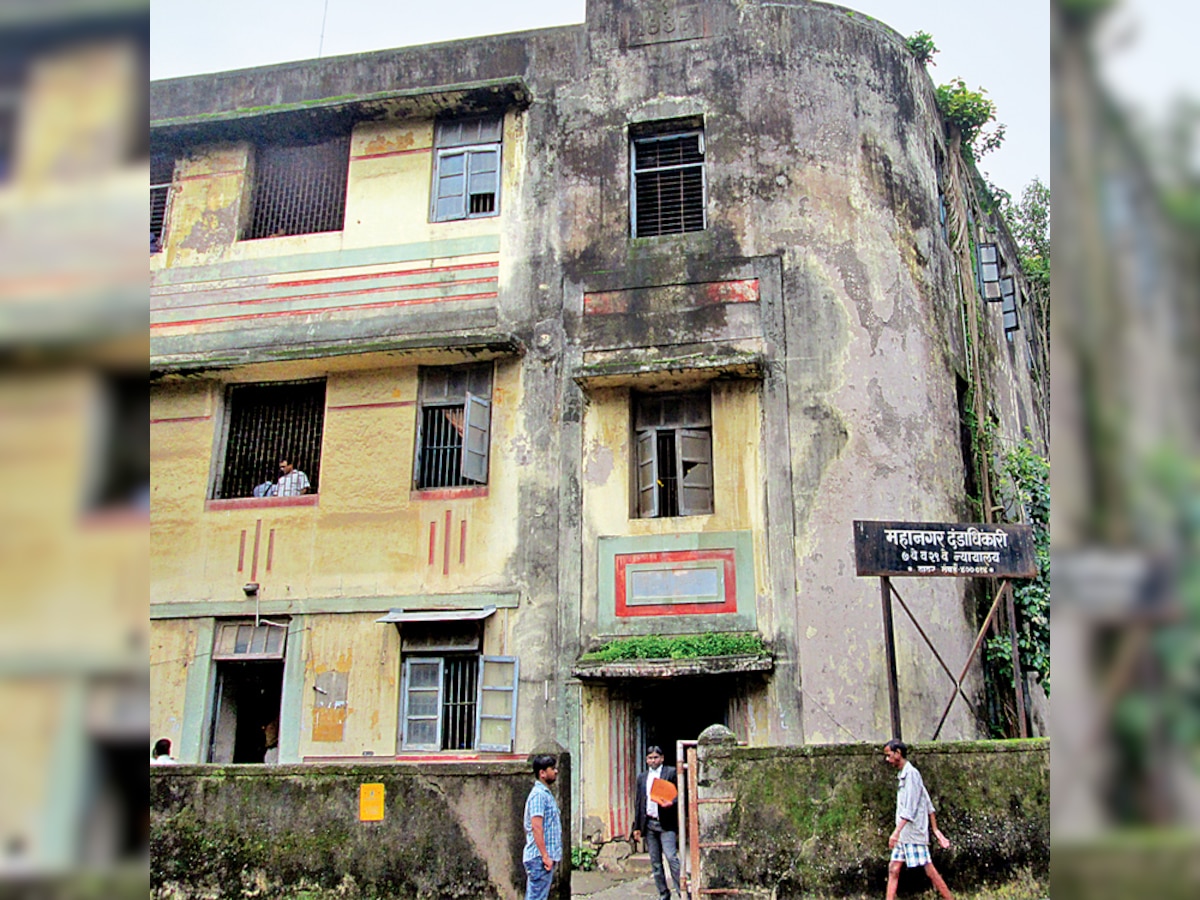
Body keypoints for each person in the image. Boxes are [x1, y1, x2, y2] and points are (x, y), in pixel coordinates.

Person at [883, 739, 953, 900]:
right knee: (893, 868)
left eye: (889, 755)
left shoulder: (912, 775)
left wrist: (895, 833)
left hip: (913, 834)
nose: (887, 759)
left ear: (898, 753)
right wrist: (935, 830)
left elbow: (910, 809)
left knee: (929, 870)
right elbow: (927, 803)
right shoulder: (904, 775)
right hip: (904, 834)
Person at [632, 745, 682, 900]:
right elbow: (639, 802)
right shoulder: (642, 777)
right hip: (649, 824)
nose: (653, 760)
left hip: (666, 823)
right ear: (646, 760)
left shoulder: (671, 773)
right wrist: (637, 827)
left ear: (662, 758)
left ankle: (682, 892)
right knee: (655, 862)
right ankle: (663, 894)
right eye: (650, 758)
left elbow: (681, 793)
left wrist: (672, 803)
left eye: (655, 757)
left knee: (671, 857)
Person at [522, 754, 562, 900]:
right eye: (552, 768)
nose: (556, 771)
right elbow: (536, 827)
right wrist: (545, 856)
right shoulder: (539, 795)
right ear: (542, 773)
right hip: (539, 858)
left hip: (541, 857)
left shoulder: (545, 794)